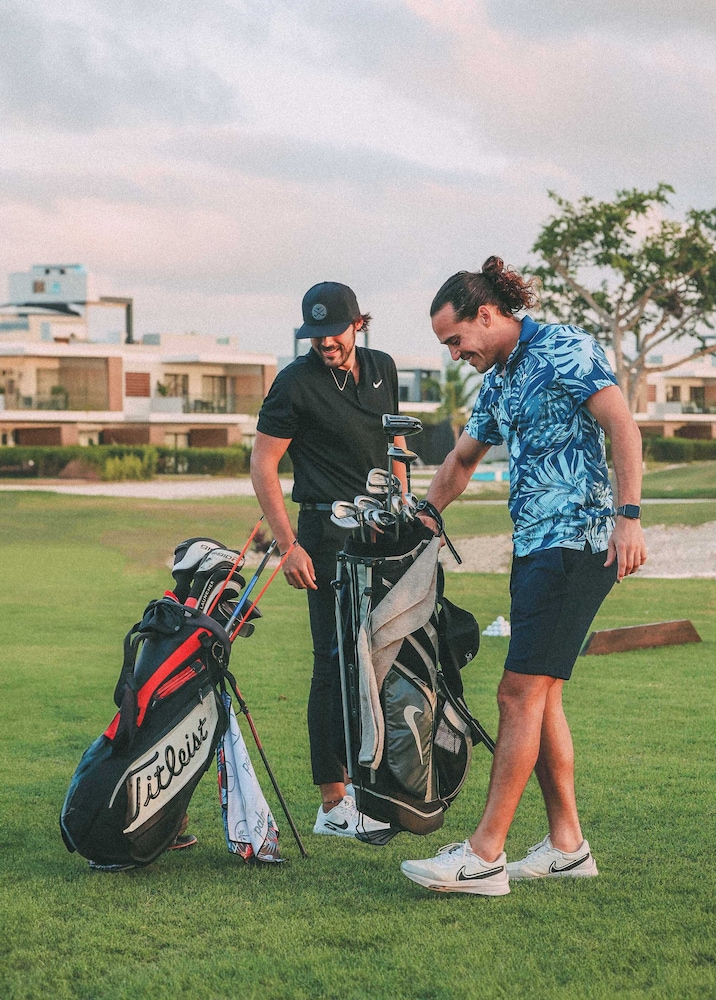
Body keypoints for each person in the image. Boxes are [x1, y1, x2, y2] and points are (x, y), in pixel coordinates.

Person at [400, 257, 647, 896]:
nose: (455, 354)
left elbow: (622, 426)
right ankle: (567, 846)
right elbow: (461, 460)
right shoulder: (500, 380)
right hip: (535, 548)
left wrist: (628, 518)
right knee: (542, 698)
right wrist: (424, 516)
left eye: (456, 339)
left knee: (516, 695)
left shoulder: (564, 348)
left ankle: (484, 856)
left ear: (487, 315)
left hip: (578, 543)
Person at [251, 281, 407, 839]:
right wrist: (288, 545)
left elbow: (394, 446)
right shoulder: (295, 382)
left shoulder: (383, 367)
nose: (324, 344)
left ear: (357, 324)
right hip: (323, 534)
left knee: (382, 656)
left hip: (380, 529)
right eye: (314, 335)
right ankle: (333, 803)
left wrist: (404, 512)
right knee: (334, 661)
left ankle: (377, 782)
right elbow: (263, 465)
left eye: (333, 332)